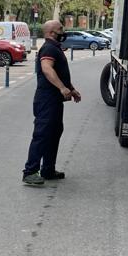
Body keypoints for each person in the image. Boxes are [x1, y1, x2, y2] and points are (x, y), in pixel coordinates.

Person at [22, 20, 81, 187]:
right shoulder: (48, 48)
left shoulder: (54, 48)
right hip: (46, 99)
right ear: (50, 33)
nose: (63, 31)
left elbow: (60, 72)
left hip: (54, 100)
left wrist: (71, 88)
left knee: (54, 132)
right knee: (42, 134)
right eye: (60, 29)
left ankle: (48, 169)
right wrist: (62, 88)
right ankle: (30, 172)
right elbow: (47, 69)